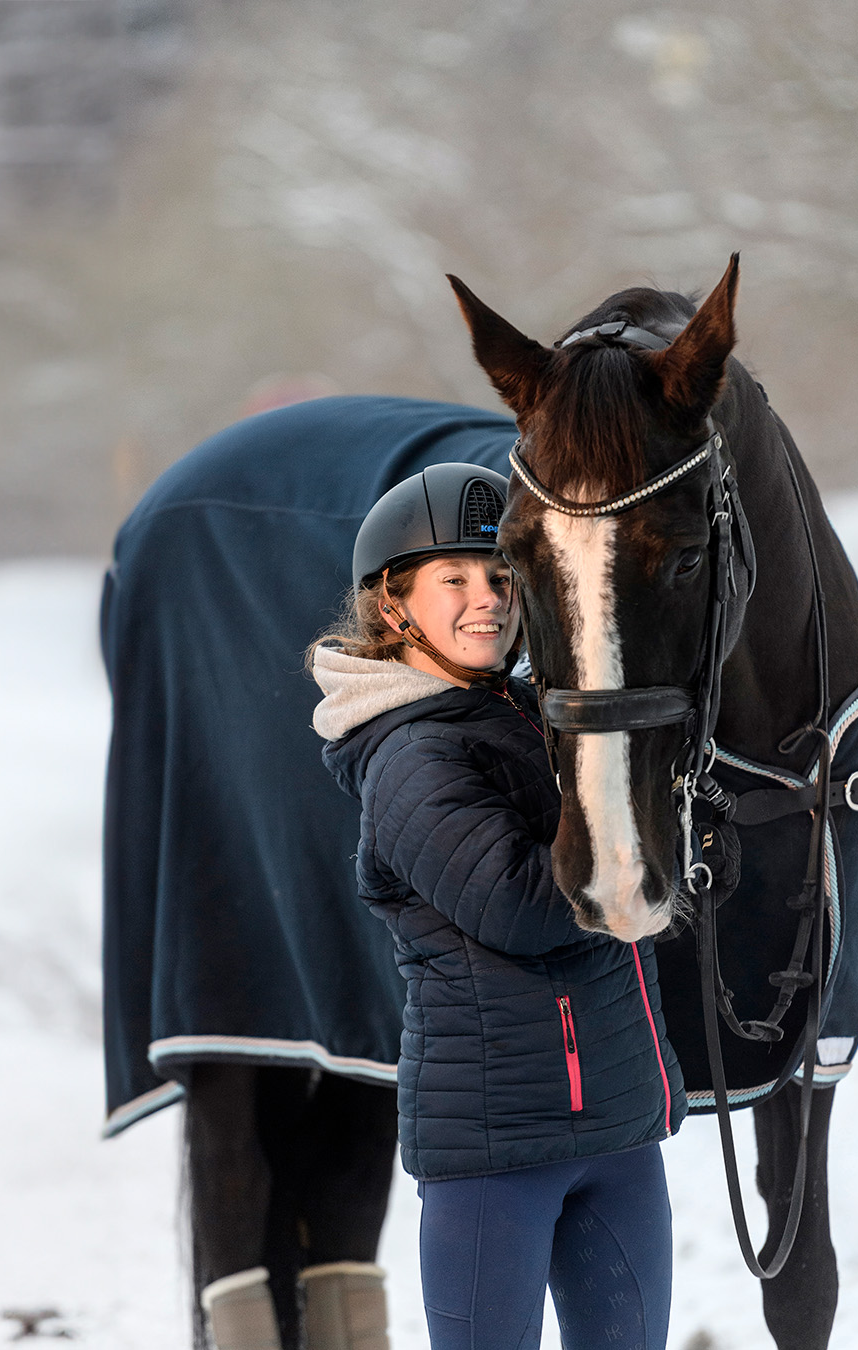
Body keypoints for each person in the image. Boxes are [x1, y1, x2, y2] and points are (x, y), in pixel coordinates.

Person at [308, 463, 686, 1350]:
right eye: (454, 579)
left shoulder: (533, 712)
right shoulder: (410, 756)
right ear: (392, 604)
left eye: (502, 576)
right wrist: (644, 846)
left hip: (619, 1127)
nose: (487, 600)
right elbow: (521, 908)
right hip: (496, 1151)